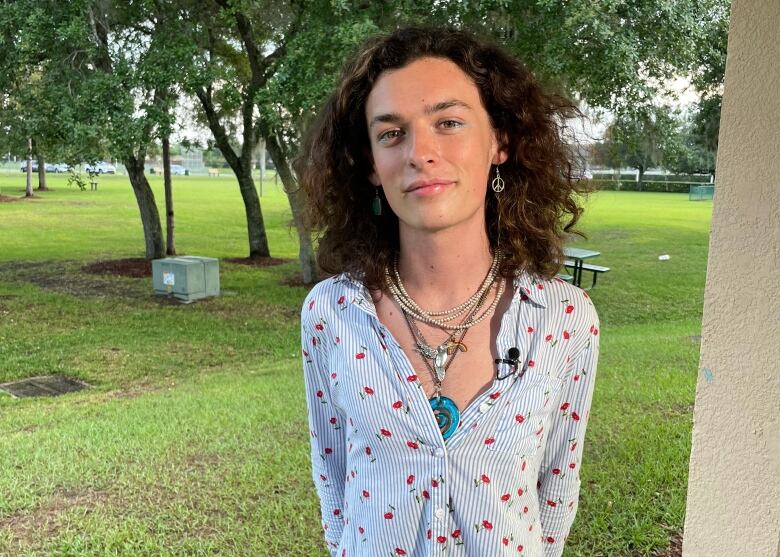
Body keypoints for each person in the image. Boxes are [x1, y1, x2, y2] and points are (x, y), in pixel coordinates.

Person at [295, 25, 600, 557]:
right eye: (391, 133)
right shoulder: (331, 314)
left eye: (449, 122)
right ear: (371, 164)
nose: (420, 152)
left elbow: (557, 489)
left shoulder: (566, 318)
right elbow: (334, 480)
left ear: (499, 141)